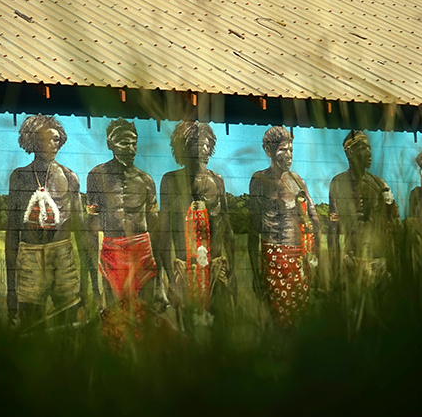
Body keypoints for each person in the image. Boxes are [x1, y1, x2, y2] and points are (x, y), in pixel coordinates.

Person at [6, 114, 83, 326]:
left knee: (67, 324)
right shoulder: (20, 177)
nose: (52, 145)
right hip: (29, 257)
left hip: (62, 255)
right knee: (32, 325)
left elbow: (82, 231)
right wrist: (11, 290)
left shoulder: (69, 177)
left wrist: (87, 284)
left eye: (56, 140)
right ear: (32, 141)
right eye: (44, 140)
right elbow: (12, 232)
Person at [85, 118, 167, 311]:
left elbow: (156, 229)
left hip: (142, 253)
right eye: (124, 142)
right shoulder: (96, 176)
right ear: (110, 144)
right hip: (112, 252)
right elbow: (91, 225)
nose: (131, 148)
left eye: (134, 143)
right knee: (115, 321)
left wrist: (161, 283)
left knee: (145, 315)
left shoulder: (146, 181)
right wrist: (94, 287)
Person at [157, 121, 235, 319]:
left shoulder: (217, 181)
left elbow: (227, 227)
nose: (203, 146)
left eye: (208, 142)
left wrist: (231, 270)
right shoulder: (170, 181)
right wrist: (170, 280)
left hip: (215, 268)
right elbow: (164, 234)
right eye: (196, 142)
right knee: (188, 335)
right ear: (183, 146)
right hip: (184, 269)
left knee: (219, 330)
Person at [248, 126, 320, 327]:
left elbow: (314, 219)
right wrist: (255, 272)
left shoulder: (298, 181)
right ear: (269, 151)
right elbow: (254, 229)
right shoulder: (260, 180)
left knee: (300, 319)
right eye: (282, 150)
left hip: (299, 258)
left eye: (290, 150)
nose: (288, 155)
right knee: (278, 320)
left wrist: (317, 258)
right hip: (274, 257)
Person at [328, 131, 399, 285]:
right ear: (350, 152)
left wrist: (392, 263)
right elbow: (333, 227)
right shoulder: (338, 183)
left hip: (377, 260)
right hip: (352, 259)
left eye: (370, 148)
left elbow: (393, 223)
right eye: (363, 148)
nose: (369, 153)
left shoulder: (379, 184)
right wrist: (334, 265)